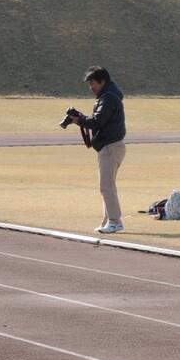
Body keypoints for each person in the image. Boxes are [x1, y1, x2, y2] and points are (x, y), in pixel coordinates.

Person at [69, 66, 126, 234]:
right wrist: (81, 119)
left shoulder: (108, 97)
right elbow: (98, 120)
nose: (90, 87)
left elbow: (97, 121)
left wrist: (78, 120)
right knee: (107, 186)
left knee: (106, 186)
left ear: (102, 82)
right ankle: (108, 220)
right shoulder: (109, 95)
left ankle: (115, 222)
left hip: (110, 147)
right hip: (112, 146)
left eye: (92, 83)